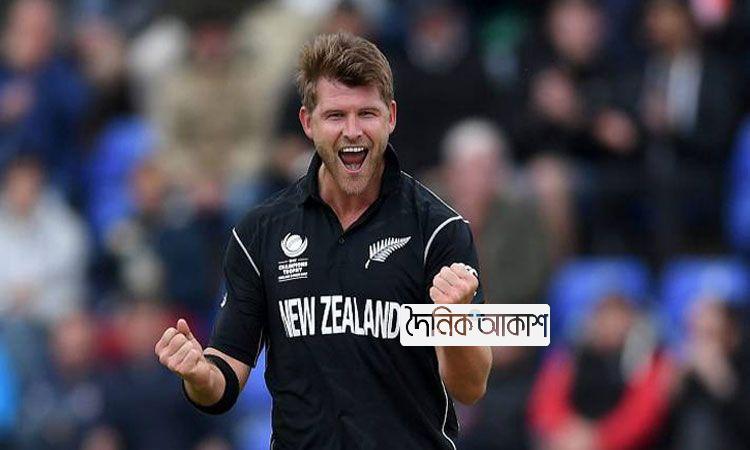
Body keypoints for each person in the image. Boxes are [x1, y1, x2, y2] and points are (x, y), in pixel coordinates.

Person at [154, 32, 492, 448]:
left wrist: (454, 322)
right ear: (307, 122)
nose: (352, 131)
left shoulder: (439, 230)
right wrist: (196, 374)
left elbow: (471, 387)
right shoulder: (260, 232)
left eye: (367, 114)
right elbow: (223, 380)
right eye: (335, 115)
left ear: (390, 117)